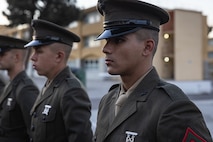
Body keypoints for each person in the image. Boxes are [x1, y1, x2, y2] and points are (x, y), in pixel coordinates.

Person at [94, 0, 213, 142]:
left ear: (147, 47)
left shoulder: (172, 108)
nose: (105, 49)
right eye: (107, 40)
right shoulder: (107, 101)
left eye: (118, 40)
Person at [24, 19, 93, 142]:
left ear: (59, 56)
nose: (32, 57)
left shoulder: (71, 91)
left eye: (39, 51)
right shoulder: (50, 84)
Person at [0, 35, 39, 142]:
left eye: (2, 54)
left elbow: (36, 132)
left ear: (16, 57)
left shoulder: (26, 89)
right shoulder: (11, 84)